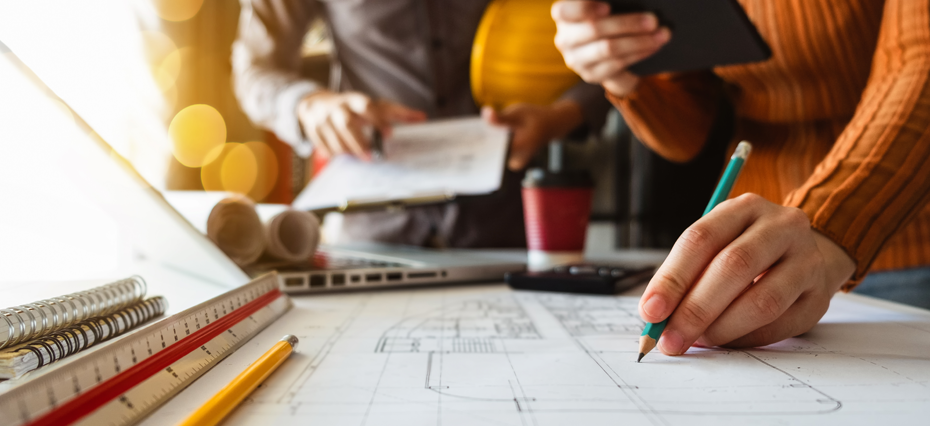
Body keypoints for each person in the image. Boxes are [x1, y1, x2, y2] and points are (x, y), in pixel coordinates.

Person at [551, 0, 930, 354]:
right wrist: (623, 72)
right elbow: (689, 133)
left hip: (900, 238)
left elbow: (921, 62)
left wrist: (827, 226)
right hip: (749, 256)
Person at [231, 0, 611, 248]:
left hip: (509, 225)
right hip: (372, 234)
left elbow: (607, 43)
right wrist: (309, 105)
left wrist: (560, 117)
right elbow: (255, 70)